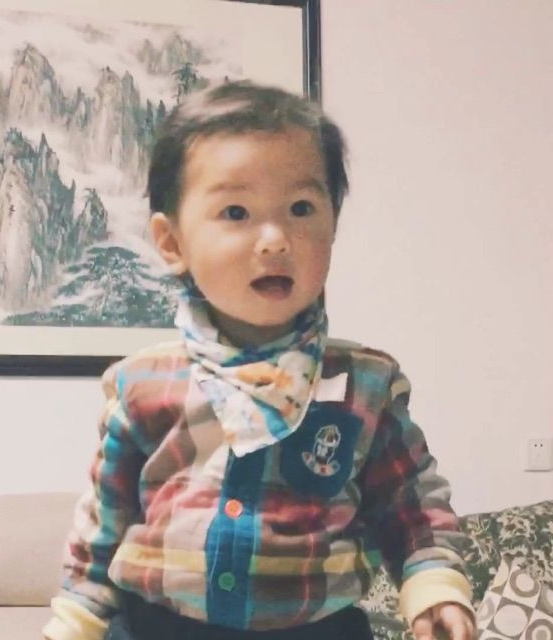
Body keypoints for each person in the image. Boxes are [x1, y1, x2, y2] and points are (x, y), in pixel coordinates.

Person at [43, 80, 476, 640]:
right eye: (236, 212)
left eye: (301, 208)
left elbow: (410, 503)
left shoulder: (365, 383)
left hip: (319, 630)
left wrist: (434, 585)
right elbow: (104, 522)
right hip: (158, 626)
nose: (274, 239)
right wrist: (76, 621)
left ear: (333, 225)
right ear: (172, 243)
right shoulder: (143, 382)